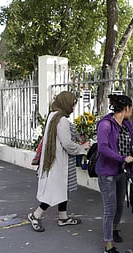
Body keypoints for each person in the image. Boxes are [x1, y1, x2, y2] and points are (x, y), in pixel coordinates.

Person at [96, 94, 133, 253]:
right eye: (131, 108)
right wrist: (122, 158)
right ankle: (108, 245)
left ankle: (113, 230)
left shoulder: (127, 124)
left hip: (122, 170)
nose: (132, 111)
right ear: (127, 108)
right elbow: (103, 148)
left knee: (120, 204)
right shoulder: (105, 125)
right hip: (107, 172)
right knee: (110, 208)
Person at [28, 91, 89, 232]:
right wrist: (82, 147)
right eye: (73, 105)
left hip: (53, 159)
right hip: (58, 161)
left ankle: (63, 217)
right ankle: (35, 215)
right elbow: (67, 144)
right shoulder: (62, 121)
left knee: (63, 188)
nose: (74, 108)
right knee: (54, 190)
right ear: (66, 103)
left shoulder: (53, 115)